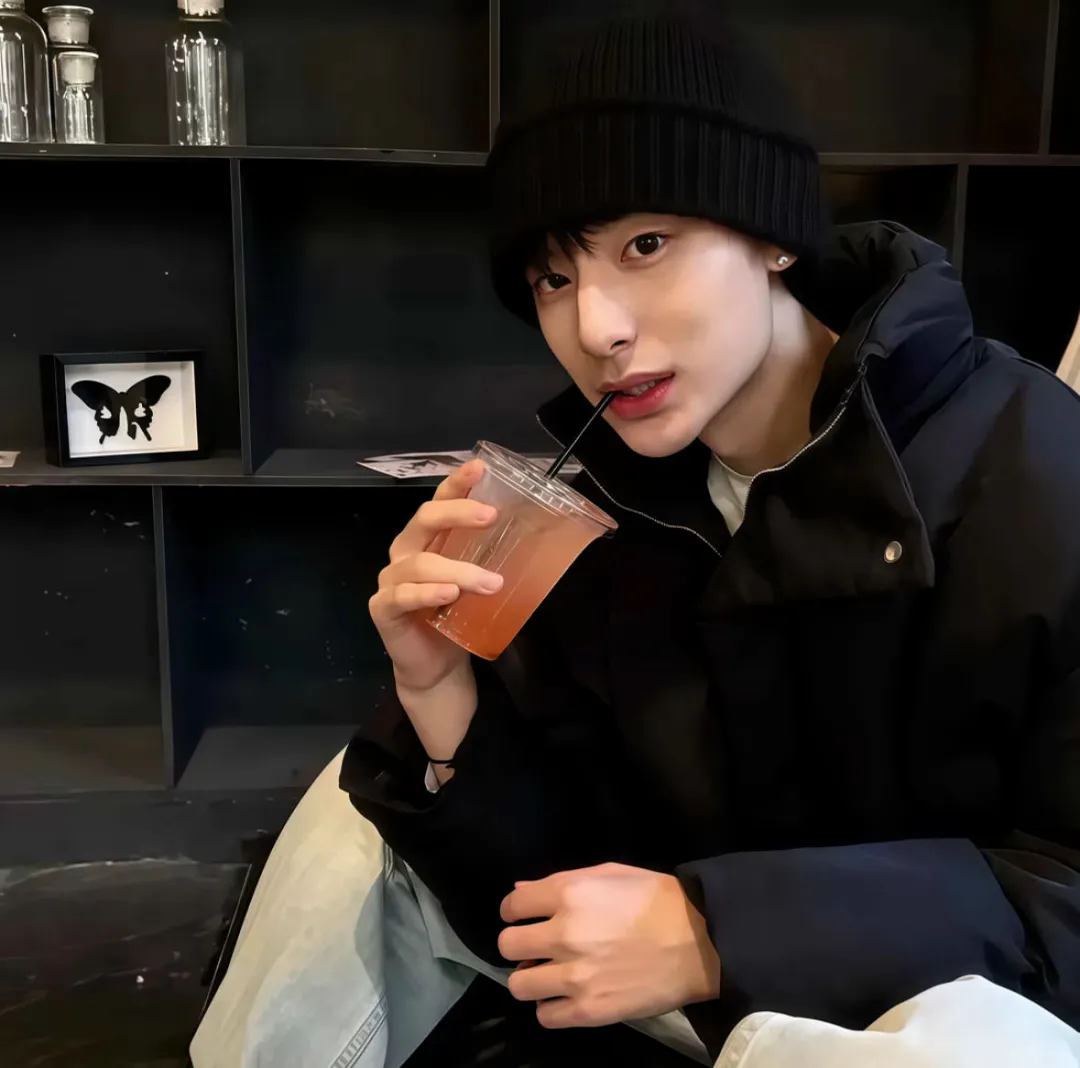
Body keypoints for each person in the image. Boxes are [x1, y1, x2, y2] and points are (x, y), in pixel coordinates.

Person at [341, 9, 1080, 1065]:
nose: (595, 328)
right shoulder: (612, 508)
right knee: (344, 840)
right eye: (553, 277)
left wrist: (719, 930)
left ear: (773, 234)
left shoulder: (1038, 472)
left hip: (933, 1017)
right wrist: (439, 696)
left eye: (646, 244)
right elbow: (552, 886)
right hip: (680, 1023)